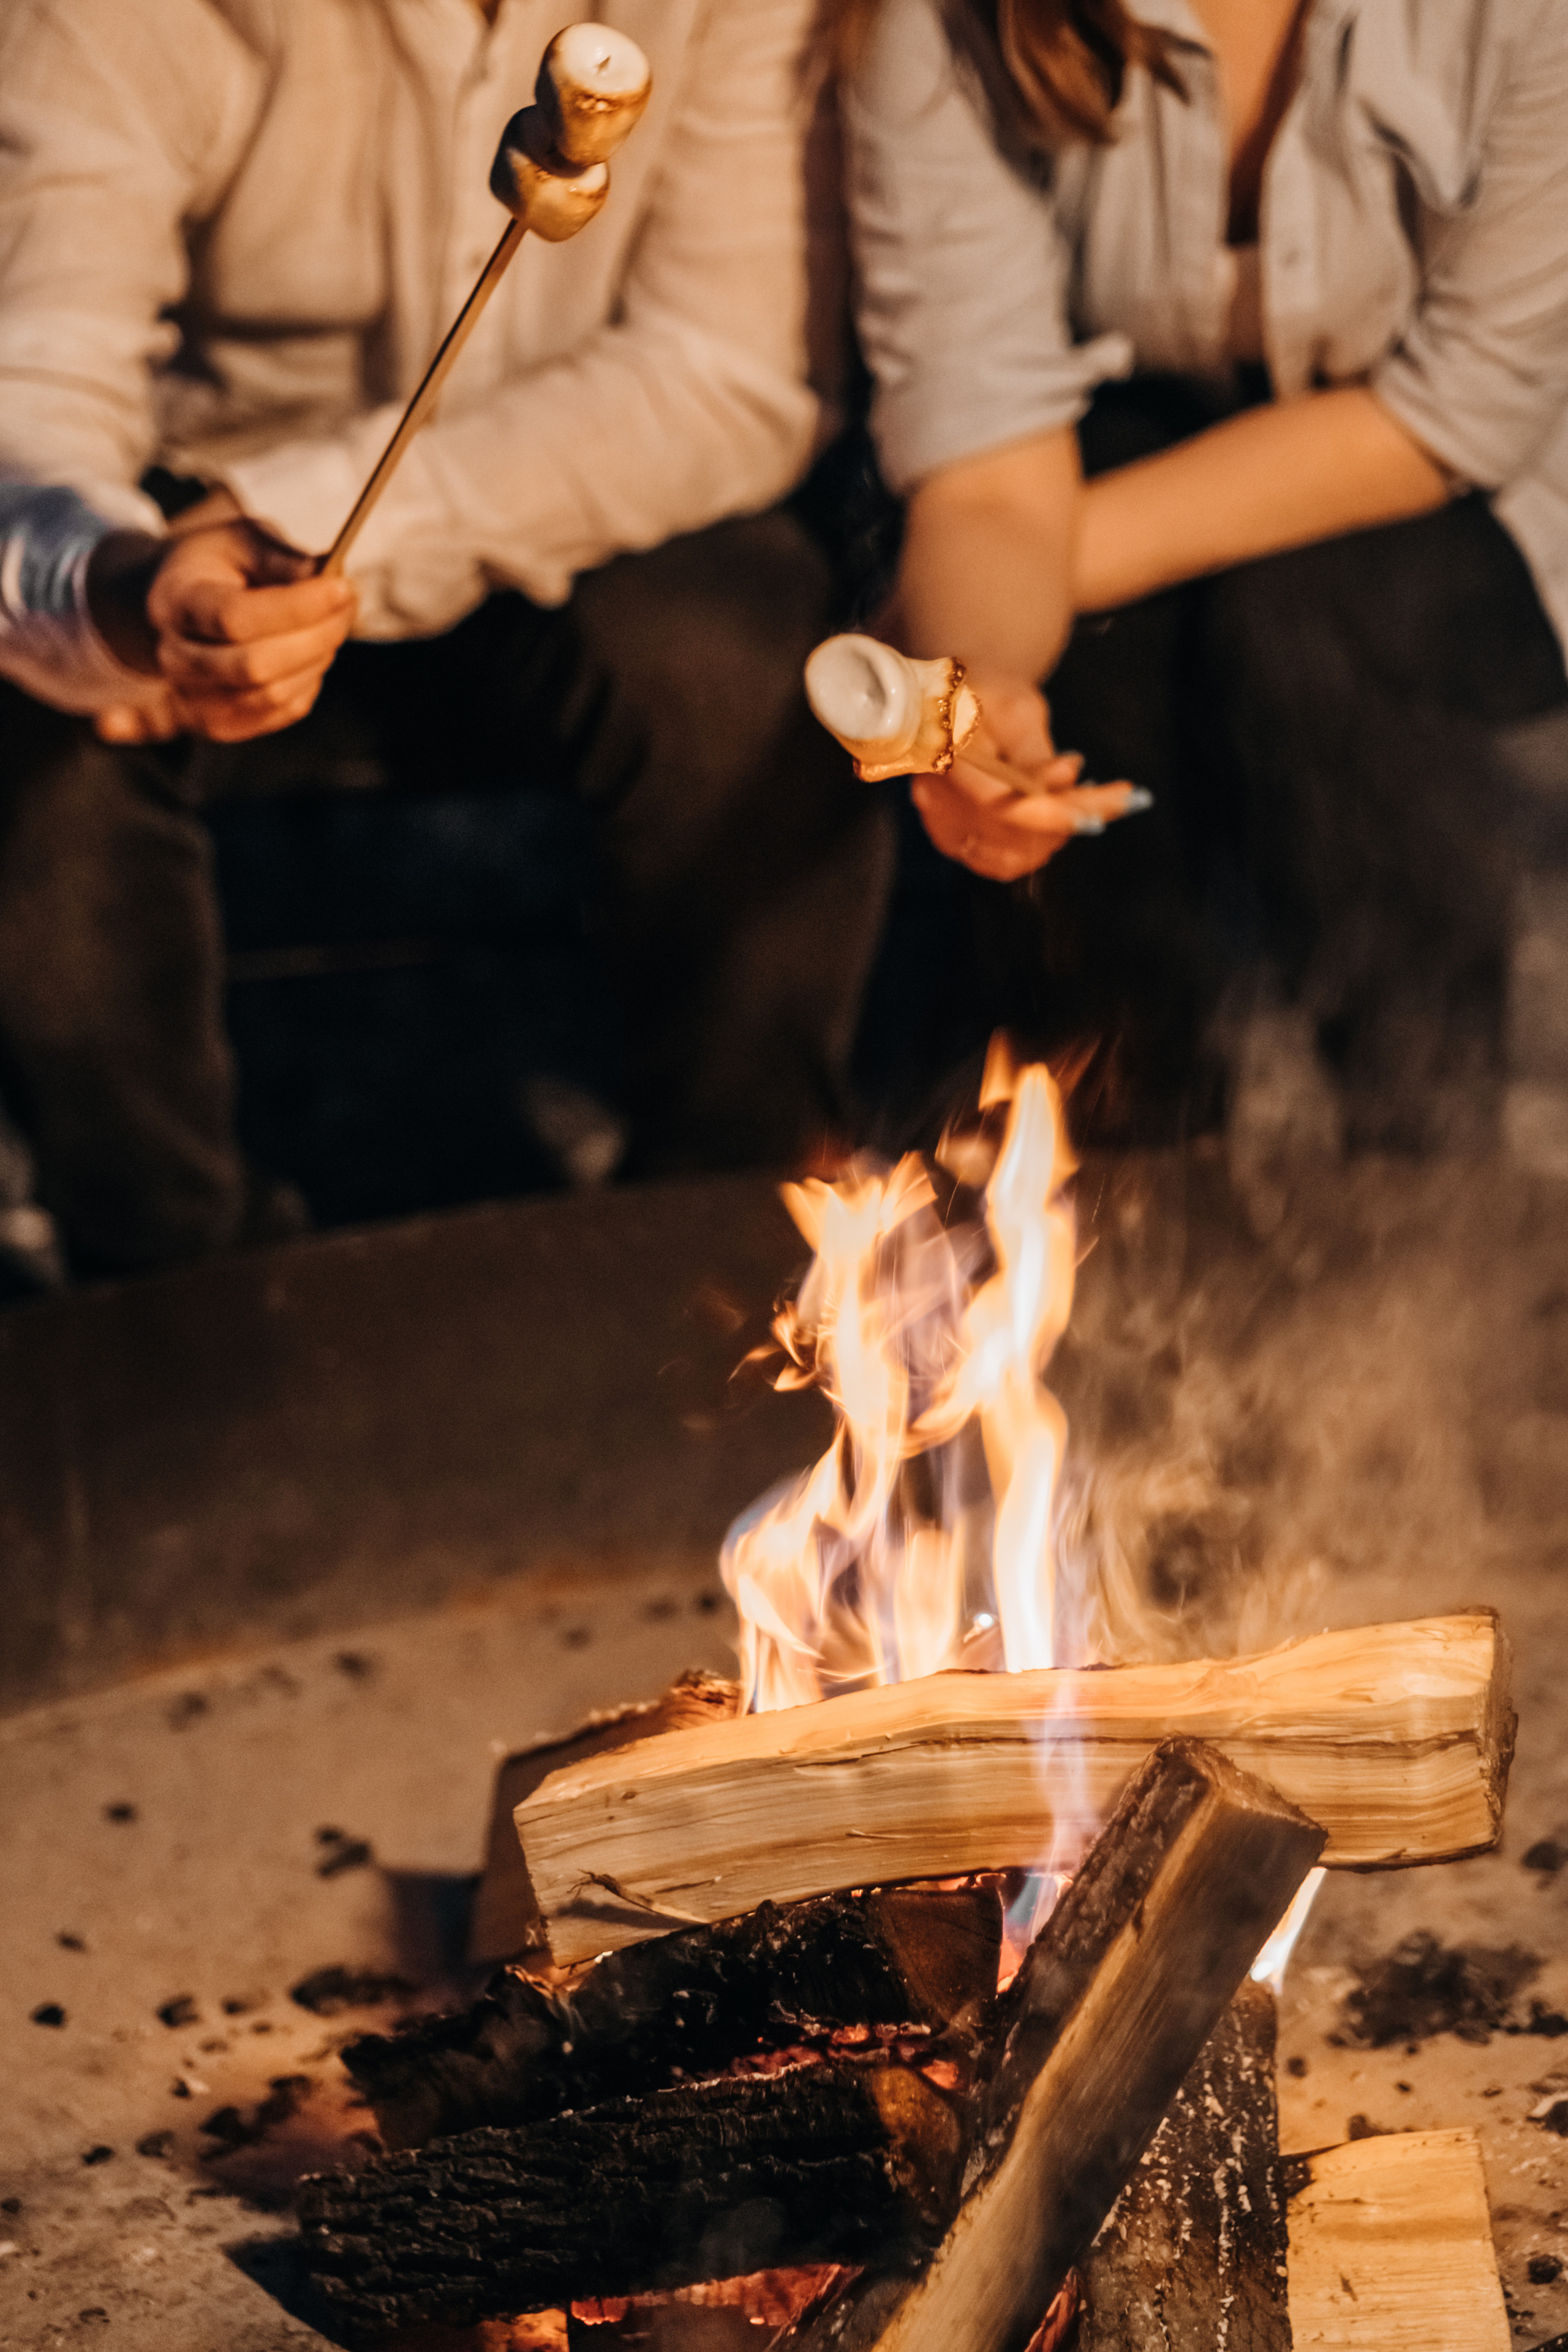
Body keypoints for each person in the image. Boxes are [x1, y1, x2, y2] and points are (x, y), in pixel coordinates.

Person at [0, 0, 886, 1276]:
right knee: (37, 734)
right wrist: (130, 592)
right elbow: (34, 395)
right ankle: (170, 1297)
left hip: (566, 489)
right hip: (180, 507)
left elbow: (727, 372)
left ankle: (725, 1253)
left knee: (746, 655)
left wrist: (306, 517)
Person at [840, 0, 1568, 1144]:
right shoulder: (944, 23)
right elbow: (985, 472)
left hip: (1452, 499)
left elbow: (1454, 411)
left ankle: (1427, 1180)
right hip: (1110, 443)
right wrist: (977, 695)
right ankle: (1109, 1193)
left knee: (1326, 612)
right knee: (1088, 663)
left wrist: (962, 606)